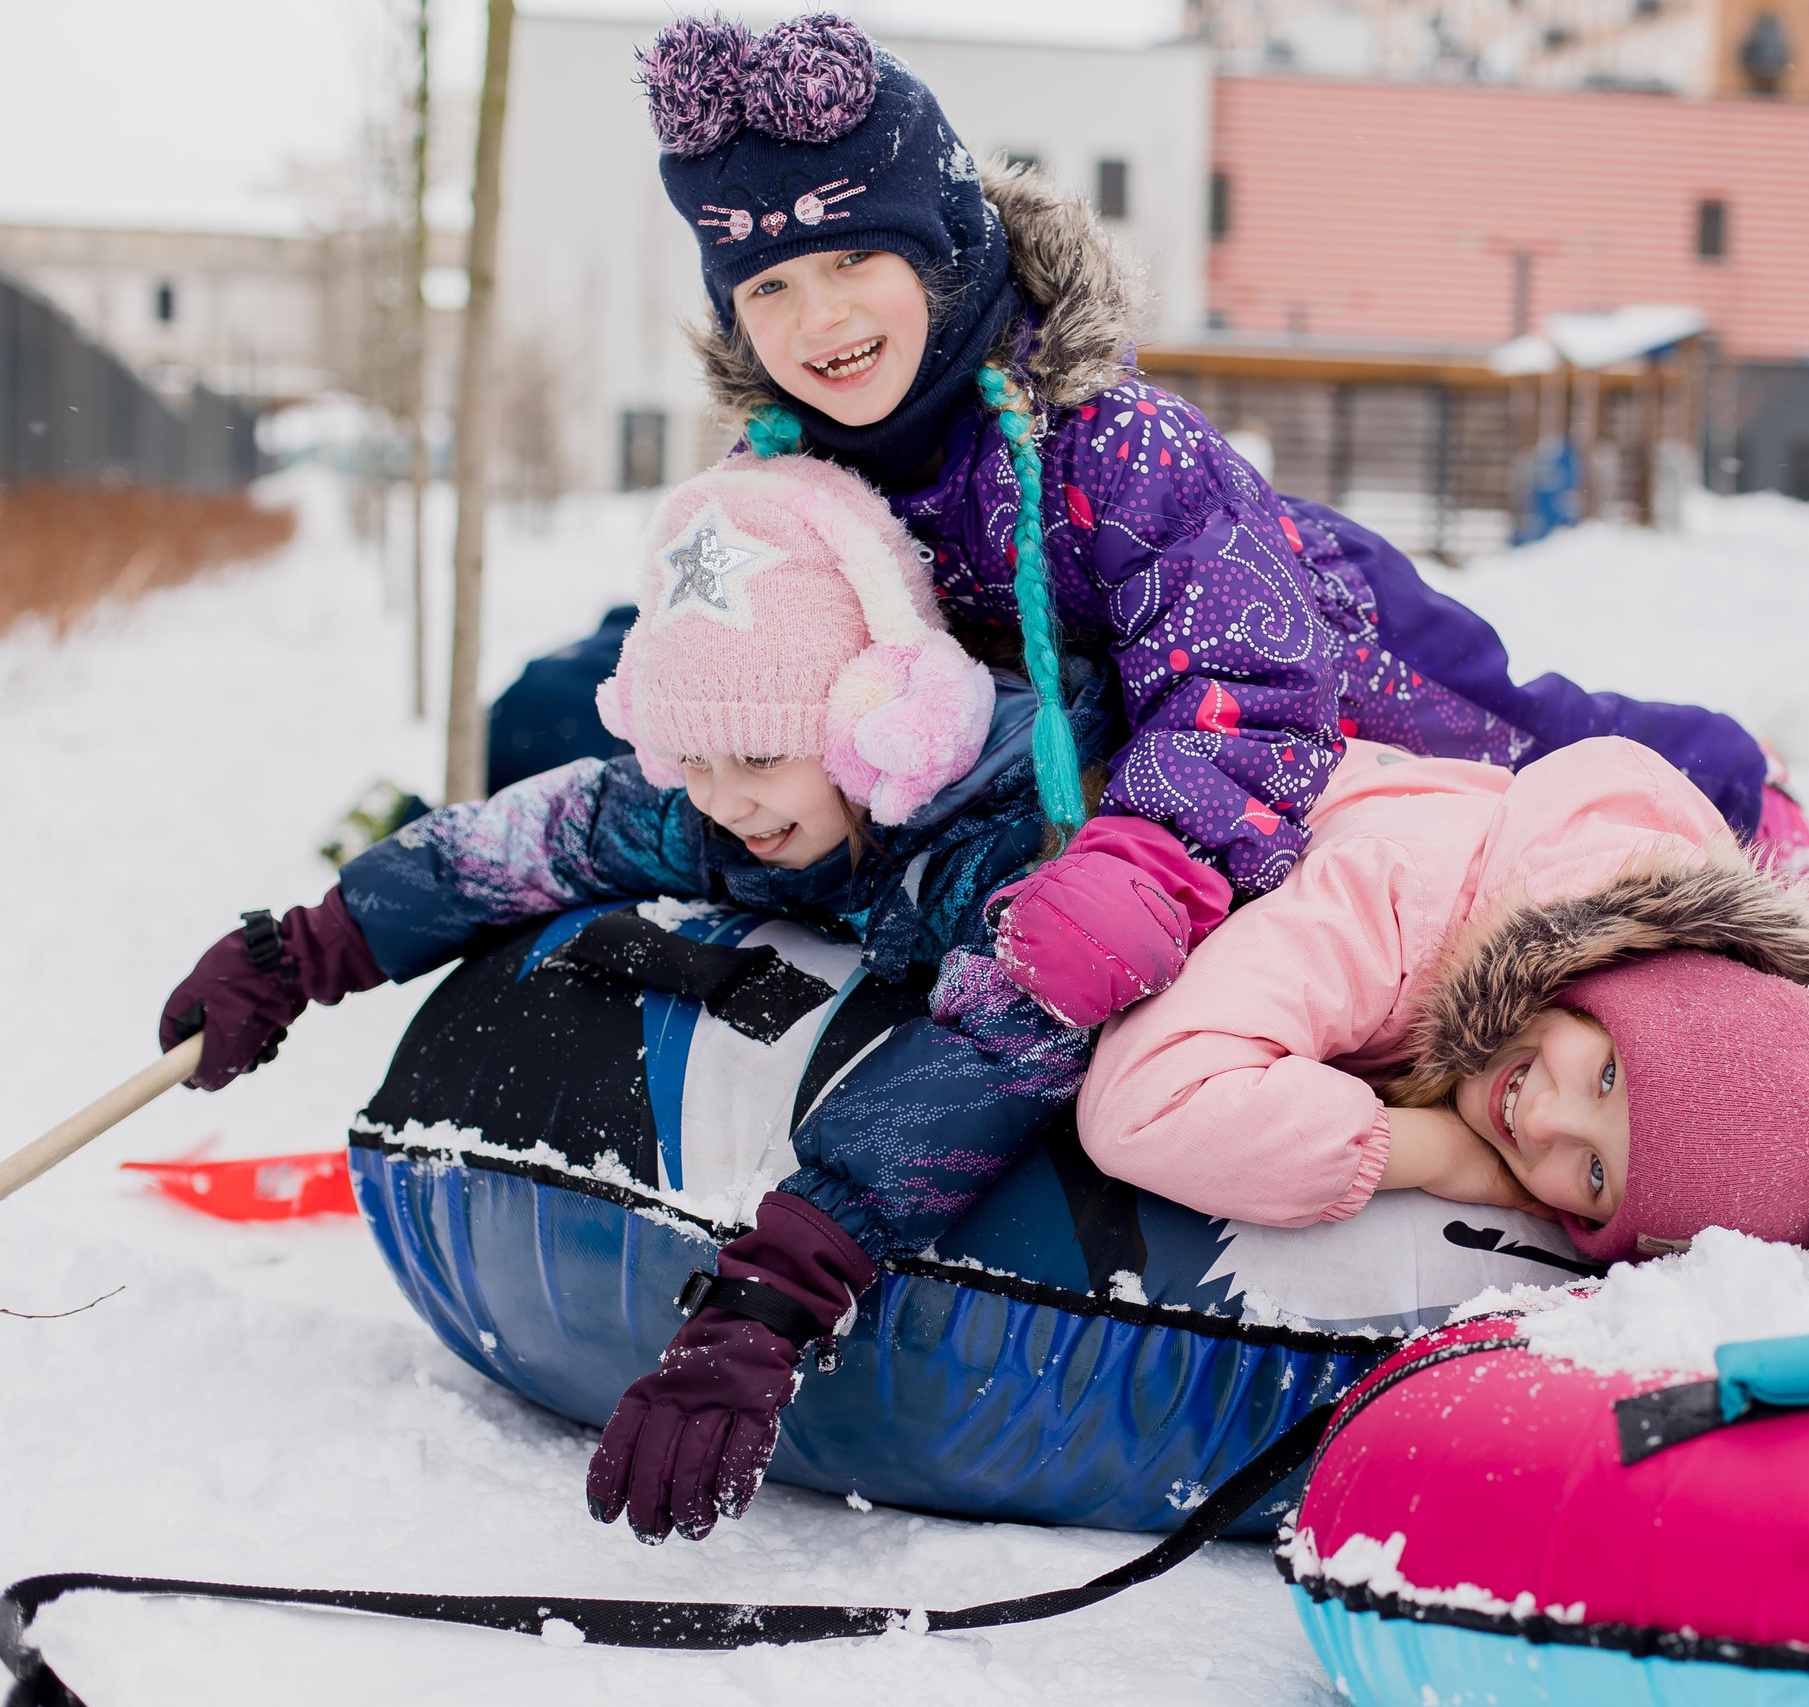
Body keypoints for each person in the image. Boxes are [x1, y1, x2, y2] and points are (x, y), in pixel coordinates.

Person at [636, 12, 1809, 1031]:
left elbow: (1237, 689)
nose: (817, 318)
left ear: (945, 247)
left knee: (1522, 741)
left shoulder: (1118, 445)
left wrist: (1145, 862)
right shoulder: (776, 484)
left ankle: (1741, 790)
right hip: (1117, 720)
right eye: (769, 287)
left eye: (854, 261)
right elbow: (752, 664)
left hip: (1313, 627)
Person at [157, 453, 1156, 1544]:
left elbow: (995, 1048)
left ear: (883, 722)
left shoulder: (1012, 842)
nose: (723, 802)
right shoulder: (736, 797)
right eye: (690, 760)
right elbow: (545, 836)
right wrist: (308, 950)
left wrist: (769, 1300)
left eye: (760, 757)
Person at [1079, 737, 1809, 1273]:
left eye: (1595, 1176)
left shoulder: (1558, 1017)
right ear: (1615, 976)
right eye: (1607, 1072)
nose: (1546, 1122)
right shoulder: (1404, 901)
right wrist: (1437, 1155)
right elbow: (1145, 1103)